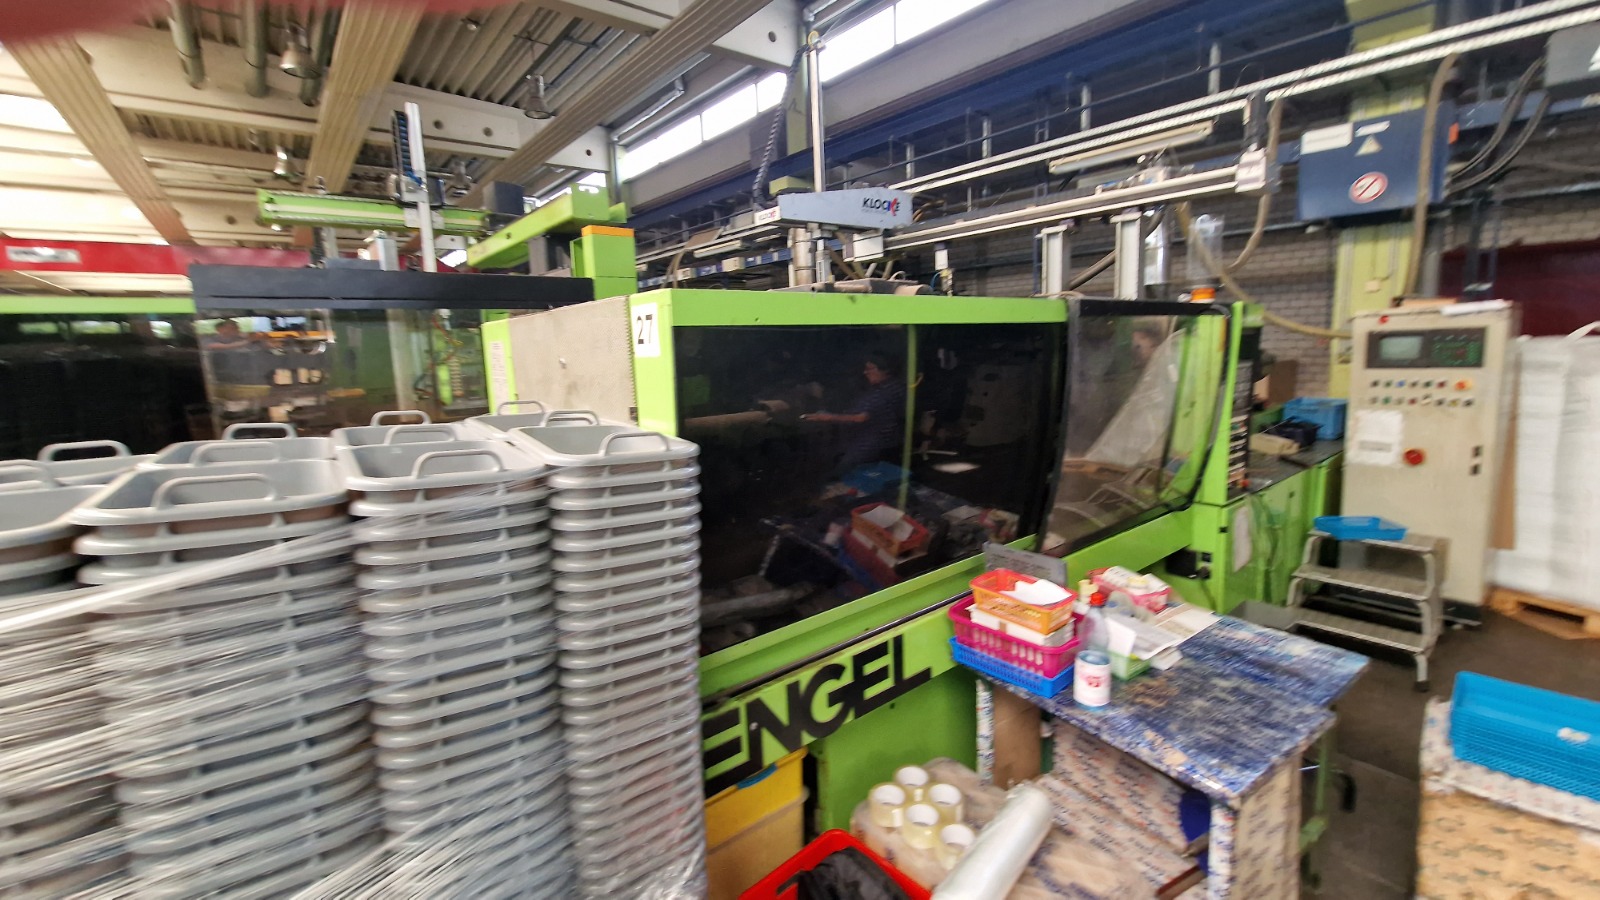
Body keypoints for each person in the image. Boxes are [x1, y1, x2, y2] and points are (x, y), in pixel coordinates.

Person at [803, 353, 906, 476]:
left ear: (886, 370)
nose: (865, 372)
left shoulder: (883, 392)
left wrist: (827, 417)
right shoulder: (896, 386)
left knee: (842, 471)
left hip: (871, 442)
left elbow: (860, 417)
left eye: (870, 369)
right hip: (883, 440)